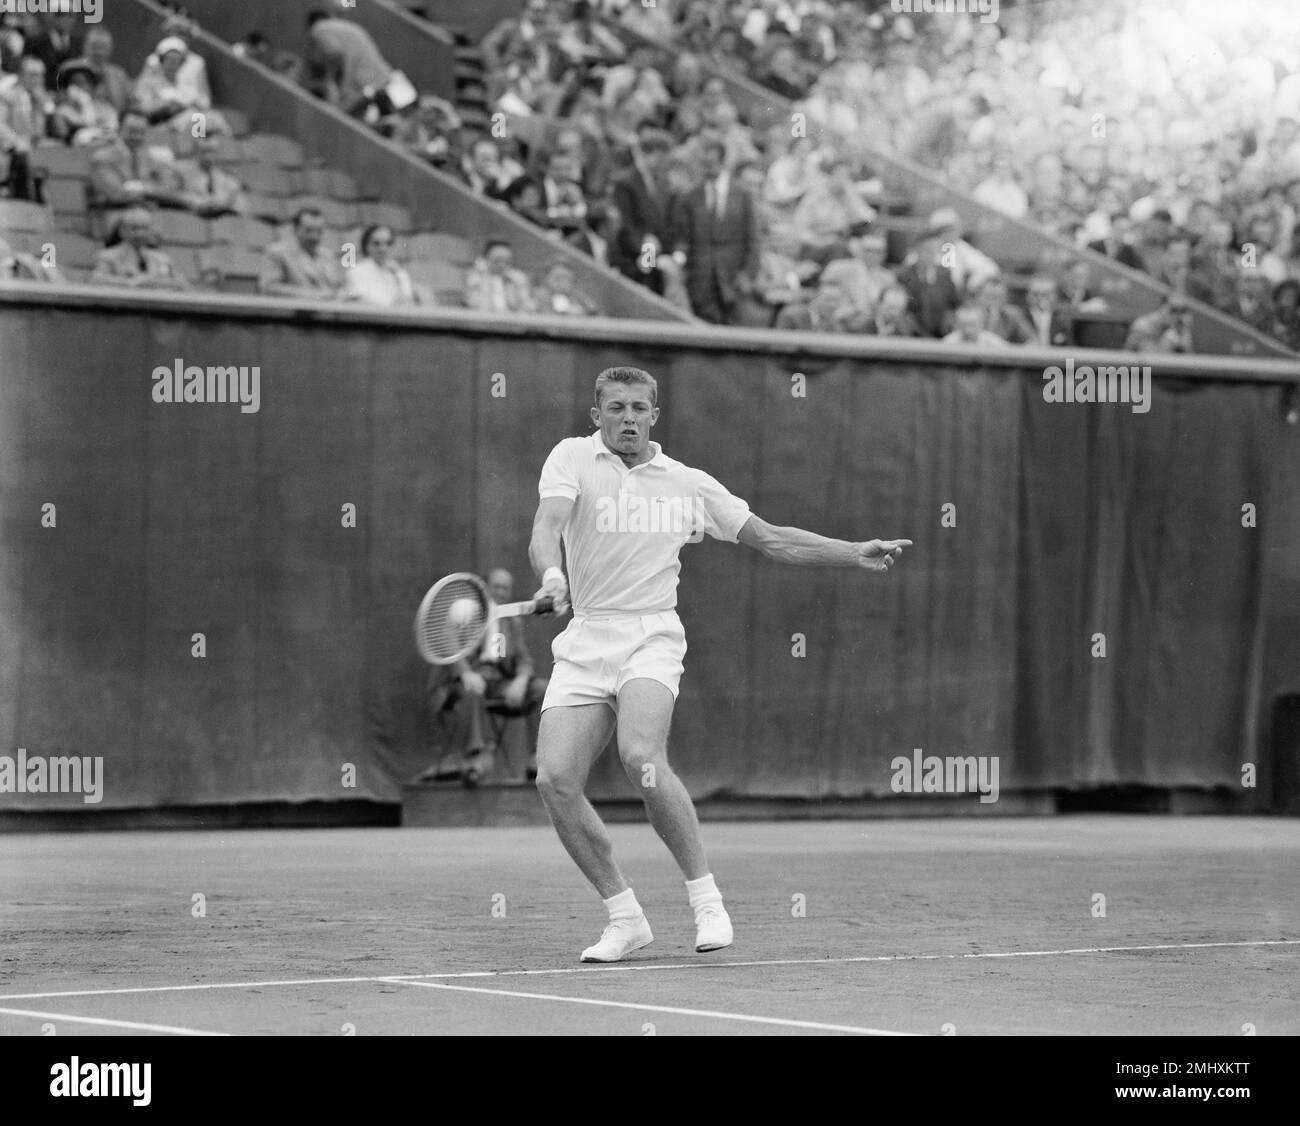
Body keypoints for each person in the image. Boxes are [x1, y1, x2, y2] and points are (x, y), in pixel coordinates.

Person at [527, 366, 911, 962]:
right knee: (554, 779)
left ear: (655, 415)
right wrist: (552, 576)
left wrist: (851, 553)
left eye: (638, 407)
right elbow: (547, 526)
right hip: (586, 636)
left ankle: (707, 901)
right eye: (615, 407)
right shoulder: (571, 458)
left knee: (641, 757)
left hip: (651, 634)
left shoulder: (688, 484)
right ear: (595, 415)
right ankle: (624, 916)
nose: (627, 417)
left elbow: (771, 539)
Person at [422, 568, 550, 785]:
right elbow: (448, 645)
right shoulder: (464, 612)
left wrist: (520, 680)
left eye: (506, 588)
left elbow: (523, 659)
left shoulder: (512, 621)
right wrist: (466, 673)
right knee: (471, 692)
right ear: (484, 588)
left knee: (543, 689)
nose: (501, 592)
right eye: (496, 587)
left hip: (500, 683)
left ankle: (539, 759)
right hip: (465, 684)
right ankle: (475, 758)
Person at [669, 139, 761, 324]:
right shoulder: (690, 196)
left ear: (722, 162)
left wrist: (748, 273)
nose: (705, 169)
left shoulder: (742, 194)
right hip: (700, 278)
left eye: (710, 164)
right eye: (702, 164)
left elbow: (753, 239)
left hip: (733, 277)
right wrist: (678, 261)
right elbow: (682, 238)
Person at [89, 208, 189, 291]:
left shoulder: (163, 258)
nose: (140, 234)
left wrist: (156, 282)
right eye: (134, 228)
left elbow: (182, 284)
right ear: (122, 231)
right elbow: (96, 280)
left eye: (144, 229)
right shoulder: (108, 256)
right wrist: (131, 282)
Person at [260, 207, 344, 300]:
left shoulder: (328, 255)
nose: (314, 237)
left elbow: (337, 287)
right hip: (292, 312)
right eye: (309, 231)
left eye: (319, 232)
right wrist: (310, 295)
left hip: (328, 310)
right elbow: (269, 287)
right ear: (295, 229)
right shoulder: (277, 252)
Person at [341, 224, 421, 307]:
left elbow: (408, 302)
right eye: (376, 244)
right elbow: (360, 302)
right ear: (366, 246)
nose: (383, 249)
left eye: (388, 243)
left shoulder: (400, 273)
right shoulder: (356, 272)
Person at [465, 239, 536, 314]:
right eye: (497, 261)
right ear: (485, 259)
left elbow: (528, 306)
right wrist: (483, 275)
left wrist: (520, 284)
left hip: (512, 321)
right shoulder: (475, 277)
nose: (502, 265)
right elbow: (474, 305)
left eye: (507, 261)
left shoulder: (516, 279)